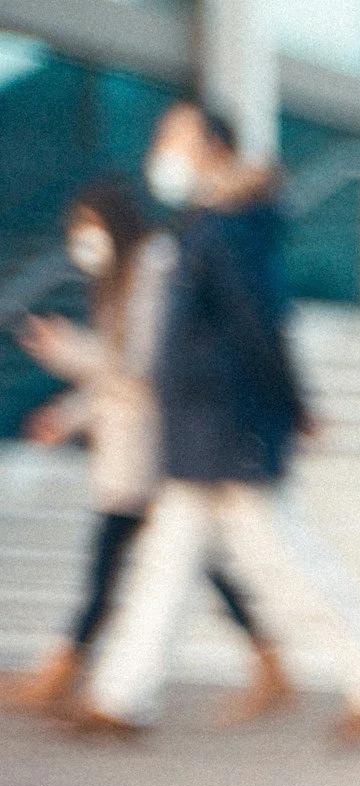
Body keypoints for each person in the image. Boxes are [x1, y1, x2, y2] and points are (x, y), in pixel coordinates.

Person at [68, 101, 360, 746]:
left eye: (173, 136)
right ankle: (119, 698)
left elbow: (262, 326)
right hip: (198, 430)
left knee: (289, 563)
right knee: (166, 566)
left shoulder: (229, 227)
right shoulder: (201, 224)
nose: (161, 149)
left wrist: (295, 404)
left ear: (214, 147)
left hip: (229, 430)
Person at [7, 179, 293, 723]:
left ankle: (79, 678)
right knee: (173, 561)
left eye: (88, 227)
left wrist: (67, 351)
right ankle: (264, 660)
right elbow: (118, 370)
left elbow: (141, 366)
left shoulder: (153, 270)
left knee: (119, 560)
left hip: (156, 443)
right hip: (136, 446)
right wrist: (67, 416)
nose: (82, 240)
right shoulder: (120, 278)